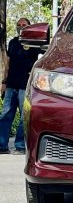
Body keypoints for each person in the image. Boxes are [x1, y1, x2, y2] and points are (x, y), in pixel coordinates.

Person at [0, 18, 41, 154]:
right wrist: (4, 82)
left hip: (25, 85)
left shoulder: (35, 43)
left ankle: (20, 146)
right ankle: (2, 145)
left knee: (25, 117)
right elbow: (8, 63)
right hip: (11, 85)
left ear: (29, 27)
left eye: (24, 25)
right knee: (5, 115)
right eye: (19, 25)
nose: (21, 27)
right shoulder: (12, 42)